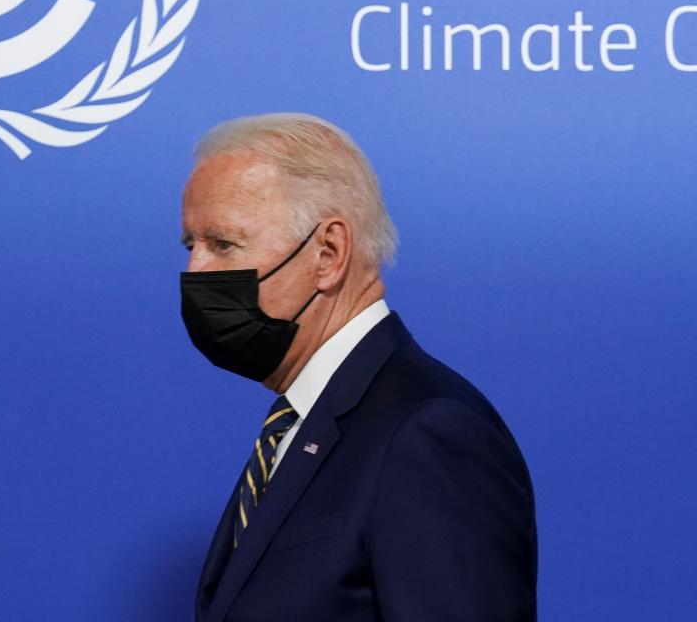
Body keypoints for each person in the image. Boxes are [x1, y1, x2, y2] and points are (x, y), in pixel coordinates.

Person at [178, 112, 537, 622]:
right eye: (190, 245)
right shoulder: (299, 423)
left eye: (223, 244)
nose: (196, 271)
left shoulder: (425, 431)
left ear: (328, 253)